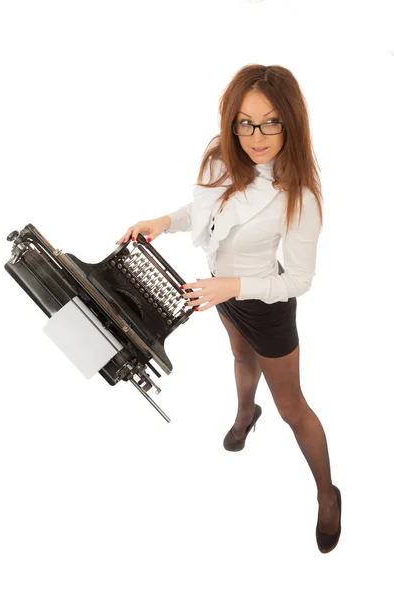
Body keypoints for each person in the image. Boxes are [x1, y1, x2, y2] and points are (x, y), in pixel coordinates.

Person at [116, 64, 342, 554]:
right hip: (221, 290)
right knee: (240, 358)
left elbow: (298, 280)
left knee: (293, 408)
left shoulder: (300, 196)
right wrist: (163, 221)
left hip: (265, 303)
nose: (255, 136)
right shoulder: (222, 158)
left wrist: (231, 286)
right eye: (244, 122)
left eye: (270, 122)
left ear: (291, 123)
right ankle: (244, 414)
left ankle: (327, 494)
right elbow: (206, 210)